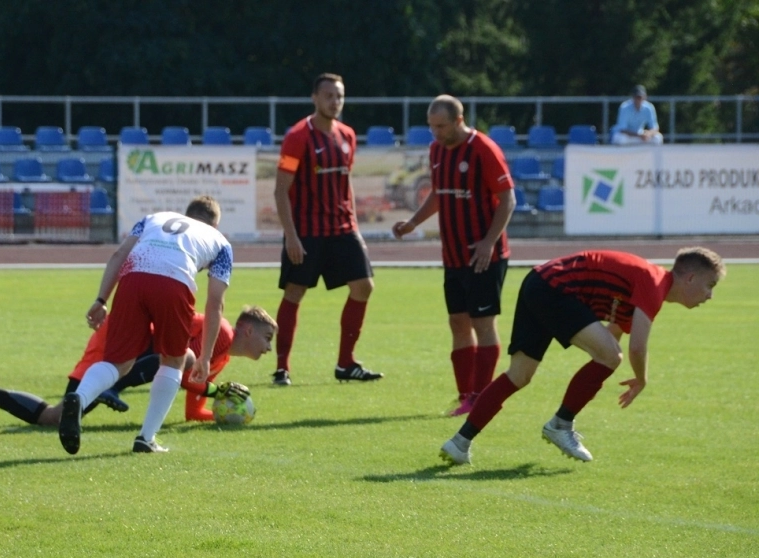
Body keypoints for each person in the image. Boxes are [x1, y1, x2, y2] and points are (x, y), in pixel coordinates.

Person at [439, 247, 725, 466]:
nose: (709, 295)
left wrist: (600, 367)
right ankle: (560, 425)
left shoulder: (646, 284)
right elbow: (636, 348)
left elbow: (612, 335)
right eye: (709, 285)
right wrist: (641, 379)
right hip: (553, 289)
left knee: (519, 375)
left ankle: (459, 442)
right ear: (690, 278)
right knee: (611, 356)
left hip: (538, 282)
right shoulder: (654, 282)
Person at [58, 195, 233, 455]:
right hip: (174, 283)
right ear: (215, 225)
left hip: (133, 277)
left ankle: (79, 398)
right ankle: (146, 438)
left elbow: (119, 254)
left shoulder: (154, 218)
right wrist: (205, 357)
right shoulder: (221, 242)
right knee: (174, 360)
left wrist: (101, 299)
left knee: (118, 362)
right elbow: (215, 303)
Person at [392, 95, 516, 417]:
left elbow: (507, 199)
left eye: (441, 126)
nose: (436, 133)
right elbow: (439, 192)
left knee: (483, 322)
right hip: (453, 254)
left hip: (484, 255)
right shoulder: (436, 150)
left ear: (459, 121)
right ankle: (465, 396)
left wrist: (488, 242)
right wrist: (413, 222)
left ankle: (480, 397)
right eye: (432, 126)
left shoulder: (483, 149)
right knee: (458, 322)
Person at [0, 306, 277, 428]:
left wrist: (222, 413)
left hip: (127, 348)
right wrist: (216, 390)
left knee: (56, 418)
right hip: (122, 339)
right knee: (184, 358)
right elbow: (178, 366)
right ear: (248, 330)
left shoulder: (219, 357)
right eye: (267, 338)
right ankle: (110, 386)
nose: (268, 348)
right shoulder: (221, 333)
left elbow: (192, 410)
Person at [272, 72, 382, 386]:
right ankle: (282, 368)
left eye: (339, 96)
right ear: (315, 98)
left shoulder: (347, 135)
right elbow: (281, 190)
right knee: (295, 292)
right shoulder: (297, 137)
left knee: (364, 287)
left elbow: (345, 184)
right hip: (306, 230)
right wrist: (291, 236)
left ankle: (346, 363)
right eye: (329, 96)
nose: (335, 102)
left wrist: (355, 228)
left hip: (342, 228)